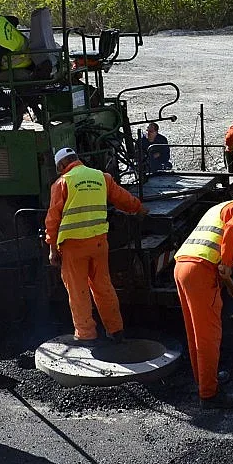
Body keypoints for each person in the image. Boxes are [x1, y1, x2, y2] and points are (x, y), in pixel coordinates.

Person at [173, 186, 233, 409]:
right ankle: (209, 394)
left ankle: (205, 379)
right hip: (201, 272)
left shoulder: (219, 207)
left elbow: (213, 239)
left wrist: (225, 274)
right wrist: (227, 262)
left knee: (195, 331)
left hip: (182, 266)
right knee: (208, 336)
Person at [45, 147, 148, 344]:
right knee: (103, 287)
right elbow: (122, 198)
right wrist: (139, 208)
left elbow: (52, 220)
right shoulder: (102, 177)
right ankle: (116, 330)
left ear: (61, 165)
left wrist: (52, 248)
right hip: (99, 243)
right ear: (77, 159)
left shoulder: (62, 183)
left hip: (73, 246)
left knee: (78, 291)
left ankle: (86, 335)